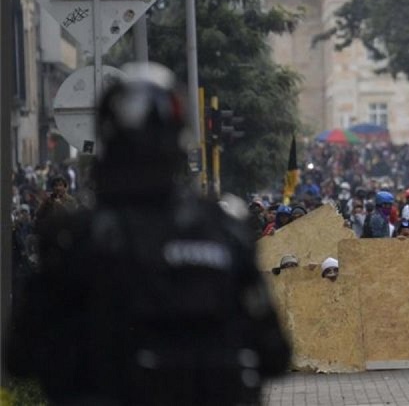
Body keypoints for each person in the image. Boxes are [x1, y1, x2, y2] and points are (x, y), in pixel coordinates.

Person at [6, 71, 290, 405]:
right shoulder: (224, 229)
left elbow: (20, 356)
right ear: (178, 139)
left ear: (107, 141)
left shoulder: (75, 237)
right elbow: (274, 354)